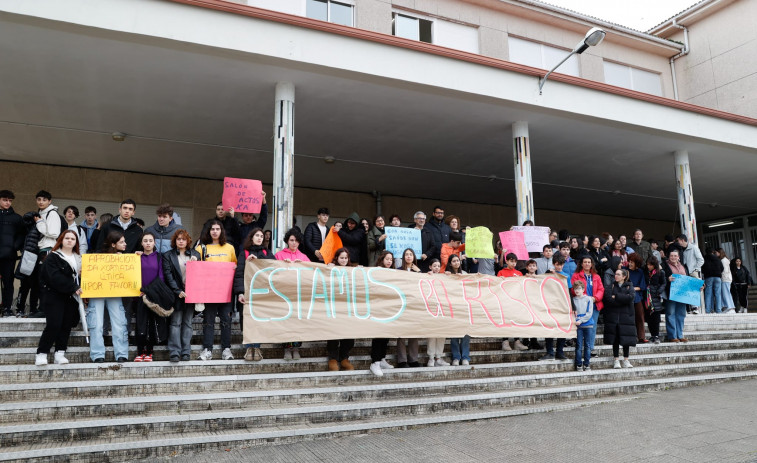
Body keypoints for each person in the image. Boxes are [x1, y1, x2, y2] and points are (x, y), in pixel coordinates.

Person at [35, 230, 82, 365]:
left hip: (71, 297)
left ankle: (60, 353)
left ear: (76, 242)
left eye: (72, 239)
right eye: (67, 238)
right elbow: (54, 277)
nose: (69, 241)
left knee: (66, 325)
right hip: (54, 295)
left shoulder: (79, 258)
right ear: (61, 239)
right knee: (54, 324)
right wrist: (73, 287)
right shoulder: (53, 256)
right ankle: (42, 353)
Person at [195, 220, 237, 361]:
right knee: (208, 321)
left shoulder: (229, 248)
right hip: (209, 291)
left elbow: (234, 267)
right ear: (209, 231)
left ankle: (226, 349)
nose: (214, 231)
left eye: (217, 229)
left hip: (225, 291)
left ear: (221, 231)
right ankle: (207, 350)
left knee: (226, 320)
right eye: (212, 229)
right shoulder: (202, 248)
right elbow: (196, 268)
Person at [87, 231, 129, 363]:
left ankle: (121, 353)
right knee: (96, 324)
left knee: (119, 323)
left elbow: (129, 276)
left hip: (115, 293)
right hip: (97, 292)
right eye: (121, 242)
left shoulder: (126, 258)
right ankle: (97, 354)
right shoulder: (97, 257)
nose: (125, 244)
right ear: (113, 244)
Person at [234, 227, 274, 361]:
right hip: (246, 292)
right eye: (257, 235)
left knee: (258, 320)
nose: (259, 238)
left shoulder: (266, 252)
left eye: (261, 236)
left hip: (261, 293)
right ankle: (248, 348)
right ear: (251, 237)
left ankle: (256, 347)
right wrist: (240, 293)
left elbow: (275, 269)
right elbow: (239, 274)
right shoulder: (243, 253)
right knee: (246, 320)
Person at [163, 229, 200, 362]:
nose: (181, 241)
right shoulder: (168, 255)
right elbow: (168, 275)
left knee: (188, 323)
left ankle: (186, 351)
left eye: (183, 239)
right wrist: (177, 290)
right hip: (176, 294)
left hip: (190, 293)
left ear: (188, 241)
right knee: (175, 323)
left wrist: (196, 263)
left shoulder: (195, 254)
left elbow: (199, 275)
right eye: (178, 239)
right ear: (175, 241)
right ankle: (174, 351)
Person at [275, 228, 309, 360]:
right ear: (287, 241)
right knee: (286, 321)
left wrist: (304, 266)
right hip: (284, 294)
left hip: (299, 295)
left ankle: (296, 347)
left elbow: (310, 275)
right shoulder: (279, 255)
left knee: (297, 321)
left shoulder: (304, 257)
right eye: (292, 240)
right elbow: (273, 272)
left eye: (297, 241)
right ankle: (286, 348)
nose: (294, 243)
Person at [134, 232, 165, 362]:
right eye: (145, 240)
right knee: (140, 324)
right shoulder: (136, 257)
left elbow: (161, 277)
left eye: (150, 240)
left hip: (153, 295)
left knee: (152, 323)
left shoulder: (159, 257)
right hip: (139, 295)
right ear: (141, 243)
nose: (147, 243)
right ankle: (140, 351)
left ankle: (150, 352)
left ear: (154, 243)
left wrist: (149, 291)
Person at [325, 248, 356, 371]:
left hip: (348, 307)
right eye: (341, 258)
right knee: (333, 332)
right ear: (337, 258)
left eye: (345, 258)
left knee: (349, 333)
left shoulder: (353, 271)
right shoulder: (330, 269)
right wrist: (328, 268)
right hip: (334, 307)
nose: (343, 260)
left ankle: (344, 358)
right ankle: (332, 358)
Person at [369, 250, 397, 376]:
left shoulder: (395, 273)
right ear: (382, 259)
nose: (389, 261)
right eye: (387, 259)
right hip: (378, 309)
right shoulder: (375, 272)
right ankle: (374, 362)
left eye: (391, 259)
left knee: (386, 335)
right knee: (378, 336)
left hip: (390, 309)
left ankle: (381, 359)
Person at [603, 268, 637, 369]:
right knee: (616, 339)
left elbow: (630, 298)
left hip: (626, 317)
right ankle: (616, 360)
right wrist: (622, 299)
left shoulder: (629, 286)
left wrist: (616, 296)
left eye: (618, 274)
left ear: (624, 276)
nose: (616, 276)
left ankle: (626, 360)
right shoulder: (611, 286)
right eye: (615, 274)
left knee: (626, 339)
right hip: (613, 317)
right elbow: (608, 299)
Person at [571, 256, 604, 357]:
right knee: (580, 327)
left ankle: (591, 348)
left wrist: (595, 298)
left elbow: (601, 289)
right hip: (581, 305)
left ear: (592, 264)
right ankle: (579, 348)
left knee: (592, 328)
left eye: (589, 262)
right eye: (585, 262)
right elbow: (573, 289)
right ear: (581, 264)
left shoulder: (596, 276)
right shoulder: (576, 275)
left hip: (594, 304)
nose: (587, 264)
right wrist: (584, 297)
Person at [0, 190, 23, 317]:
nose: (8, 203)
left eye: (10, 200)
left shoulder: (17, 218)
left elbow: (21, 235)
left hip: (9, 256)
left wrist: (15, 246)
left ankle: (7, 308)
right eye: (5, 200)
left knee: (8, 283)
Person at [541, 255, 569, 360]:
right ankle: (549, 352)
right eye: (557, 264)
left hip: (563, 306)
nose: (559, 267)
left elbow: (569, 292)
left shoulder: (566, 276)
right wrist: (549, 273)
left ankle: (560, 352)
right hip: (550, 305)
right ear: (554, 264)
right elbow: (543, 285)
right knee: (549, 329)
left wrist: (572, 308)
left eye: (561, 264)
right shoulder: (549, 273)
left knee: (562, 329)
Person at [498, 253, 527, 351]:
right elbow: (497, 287)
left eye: (515, 261)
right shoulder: (501, 273)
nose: (513, 263)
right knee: (506, 321)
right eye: (511, 261)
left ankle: (517, 341)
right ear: (506, 261)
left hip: (517, 301)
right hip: (505, 301)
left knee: (516, 320)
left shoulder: (519, 273)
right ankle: (505, 342)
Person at [397, 248, 421, 367]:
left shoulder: (417, 270)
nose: (408, 256)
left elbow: (423, 284)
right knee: (401, 334)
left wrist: (419, 272)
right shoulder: (398, 271)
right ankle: (402, 360)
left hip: (414, 305)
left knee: (414, 333)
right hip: (401, 305)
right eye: (406, 254)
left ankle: (413, 359)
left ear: (414, 257)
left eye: (411, 254)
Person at [445, 254, 470, 366]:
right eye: (454, 261)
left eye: (457, 261)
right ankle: (456, 357)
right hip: (452, 308)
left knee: (465, 334)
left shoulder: (465, 274)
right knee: (454, 334)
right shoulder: (446, 275)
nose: (456, 263)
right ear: (450, 263)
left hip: (464, 307)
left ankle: (465, 357)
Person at [661, 249, 690, 342]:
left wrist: (698, 286)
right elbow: (660, 277)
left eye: (675, 256)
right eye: (671, 256)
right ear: (668, 257)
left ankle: (680, 335)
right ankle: (672, 336)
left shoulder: (684, 266)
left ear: (679, 257)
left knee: (681, 314)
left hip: (683, 294)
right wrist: (667, 279)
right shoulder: (664, 266)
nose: (673, 257)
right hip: (671, 293)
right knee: (670, 314)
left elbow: (688, 279)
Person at [426, 259, 449, 367]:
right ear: (430, 267)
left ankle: (438, 357)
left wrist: (449, 276)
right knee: (432, 334)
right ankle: (431, 357)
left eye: (438, 266)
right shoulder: (427, 276)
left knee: (441, 334)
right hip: (431, 309)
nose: (436, 268)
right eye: (434, 266)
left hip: (442, 309)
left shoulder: (443, 277)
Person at [676, 234, 704, 313]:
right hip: (685, 271)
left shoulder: (693, 248)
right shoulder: (681, 250)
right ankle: (690, 308)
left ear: (682, 240)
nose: (678, 242)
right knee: (687, 289)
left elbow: (701, 260)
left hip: (693, 271)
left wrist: (695, 269)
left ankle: (695, 308)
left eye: (678, 241)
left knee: (694, 289)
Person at [572, 280, 593, 371]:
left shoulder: (588, 299)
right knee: (579, 345)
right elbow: (572, 313)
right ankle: (579, 364)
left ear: (583, 289)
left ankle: (587, 364)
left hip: (587, 325)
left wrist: (581, 320)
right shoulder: (573, 300)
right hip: (578, 326)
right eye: (575, 289)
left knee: (587, 345)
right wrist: (576, 320)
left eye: (579, 288)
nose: (577, 291)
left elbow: (589, 313)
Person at [627, 253, 647, 343]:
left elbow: (642, 286)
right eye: (629, 261)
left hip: (637, 297)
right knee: (628, 318)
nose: (630, 264)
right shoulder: (625, 270)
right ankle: (631, 337)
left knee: (640, 317)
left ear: (637, 263)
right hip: (626, 297)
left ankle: (641, 337)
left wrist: (633, 288)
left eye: (632, 262)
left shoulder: (640, 272)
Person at [645, 256, 665, 344]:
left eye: (650, 265)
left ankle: (656, 335)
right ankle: (652, 335)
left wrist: (659, 291)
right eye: (647, 264)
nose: (648, 266)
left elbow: (663, 283)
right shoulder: (645, 272)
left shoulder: (660, 272)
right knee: (649, 317)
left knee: (656, 317)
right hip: (647, 297)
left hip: (655, 296)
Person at [702, 248, 724, 314]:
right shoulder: (717, 258)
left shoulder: (704, 259)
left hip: (708, 277)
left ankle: (708, 310)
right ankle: (718, 310)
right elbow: (722, 268)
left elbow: (702, 269)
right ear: (713, 252)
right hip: (717, 277)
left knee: (708, 293)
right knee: (718, 294)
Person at [717, 248, 736, 313]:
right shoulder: (725, 260)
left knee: (726, 293)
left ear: (719, 252)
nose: (716, 254)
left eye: (717, 252)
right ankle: (728, 307)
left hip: (725, 279)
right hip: (727, 279)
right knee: (726, 293)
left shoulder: (723, 260)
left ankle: (730, 307)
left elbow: (724, 271)